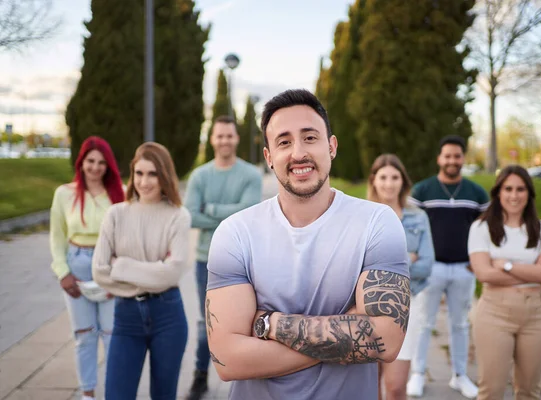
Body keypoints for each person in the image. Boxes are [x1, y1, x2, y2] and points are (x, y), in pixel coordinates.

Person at [204, 89, 410, 400]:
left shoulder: (377, 223)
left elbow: (388, 341)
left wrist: (268, 324)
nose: (298, 152)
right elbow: (228, 360)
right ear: (269, 157)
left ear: (332, 146)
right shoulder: (235, 233)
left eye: (310, 137)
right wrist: (348, 334)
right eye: (284, 142)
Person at [92, 142, 191, 399]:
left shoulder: (178, 216)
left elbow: (173, 272)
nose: (144, 181)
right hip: (126, 317)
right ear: (132, 173)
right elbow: (99, 272)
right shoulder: (115, 214)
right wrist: (152, 273)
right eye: (139, 173)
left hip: (168, 316)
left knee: (163, 395)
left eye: (152, 174)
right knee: (116, 394)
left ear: (164, 175)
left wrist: (121, 266)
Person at [184, 115, 263, 400]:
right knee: (207, 321)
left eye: (229, 136)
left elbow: (249, 213)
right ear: (212, 138)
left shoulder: (251, 175)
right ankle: (200, 377)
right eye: (220, 136)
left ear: (236, 138)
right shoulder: (200, 176)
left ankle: (245, 378)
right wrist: (231, 212)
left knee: (245, 322)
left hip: (245, 259)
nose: (225, 141)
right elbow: (191, 215)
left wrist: (212, 208)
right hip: (206, 259)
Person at [407, 135, 488, 399]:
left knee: (460, 324)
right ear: (439, 158)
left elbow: (486, 231)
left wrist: (479, 262)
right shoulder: (422, 190)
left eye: (457, 156)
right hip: (431, 269)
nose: (452, 160)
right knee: (423, 322)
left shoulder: (476, 193)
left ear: (463, 159)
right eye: (447, 156)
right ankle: (418, 373)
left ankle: (460, 375)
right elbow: (412, 227)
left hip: (464, 269)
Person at [468, 165, 541, 399]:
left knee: (529, 391)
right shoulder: (481, 228)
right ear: (498, 192)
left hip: (536, 316)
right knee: (491, 390)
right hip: (494, 315)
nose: (514, 195)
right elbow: (484, 274)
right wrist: (533, 270)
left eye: (520, 189)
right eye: (508, 188)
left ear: (529, 193)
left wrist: (507, 265)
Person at [49, 136, 124, 400]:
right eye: (91, 161)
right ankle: (87, 394)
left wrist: (118, 276)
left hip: (107, 267)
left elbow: (124, 238)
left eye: (101, 162)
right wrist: (62, 272)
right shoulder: (64, 194)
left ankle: (114, 392)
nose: (95, 167)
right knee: (84, 335)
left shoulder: (118, 194)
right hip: (76, 265)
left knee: (111, 335)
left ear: (108, 166)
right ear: (81, 162)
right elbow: (57, 237)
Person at [367, 154, 434, 400]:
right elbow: (356, 268)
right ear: (374, 181)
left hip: (408, 305)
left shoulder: (418, 217)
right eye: (383, 177)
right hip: (368, 309)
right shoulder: (362, 217)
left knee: (395, 387)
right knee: (368, 387)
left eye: (395, 177)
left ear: (403, 181)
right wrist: (408, 259)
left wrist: (382, 267)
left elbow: (426, 265)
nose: (389, 183)